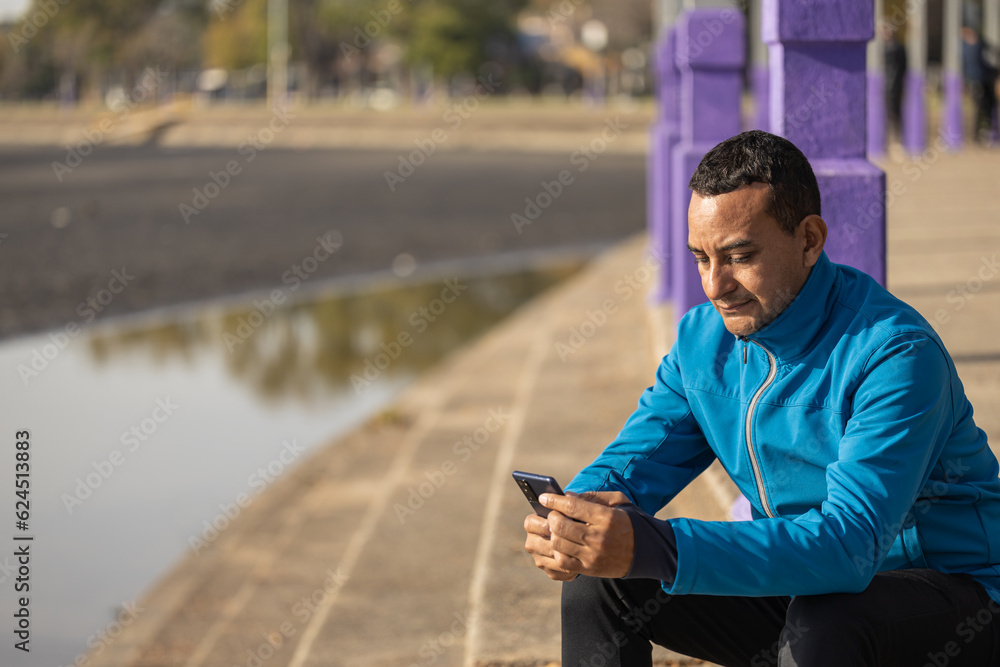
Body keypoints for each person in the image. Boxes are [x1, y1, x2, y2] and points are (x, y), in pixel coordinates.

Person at [523, 130, 1000, 666]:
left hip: (953, 600)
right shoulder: (702, 342)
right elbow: (633, 463)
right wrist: (574, 520)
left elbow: (850, 546)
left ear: (809, 239)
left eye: (739, 256)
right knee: (602, 581)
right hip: (806, 587)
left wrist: (660, 546)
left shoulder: (895, 355)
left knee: (826, 621)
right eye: (701, 258)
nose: (714, 286)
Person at [962, 26, 999, 145]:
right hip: (979, 81)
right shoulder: (973, 47)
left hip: (983, 80)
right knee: (981, 107)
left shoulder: (977, 46)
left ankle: (983, 132)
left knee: (984, 106)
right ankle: (980, 133)